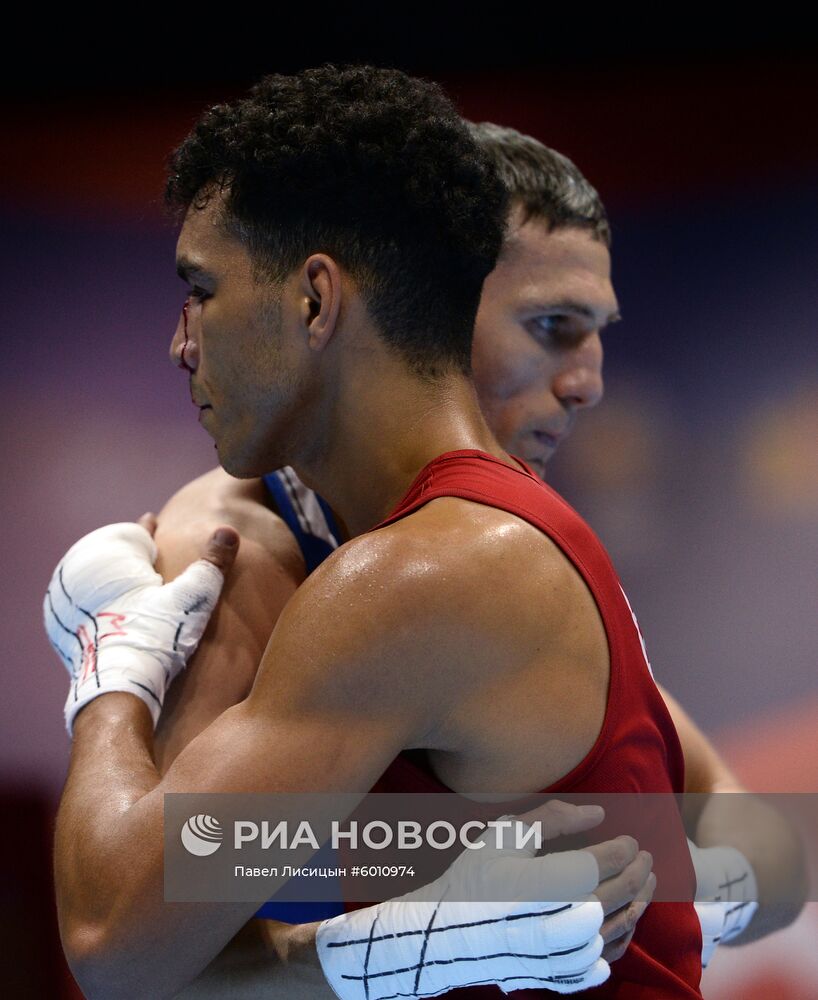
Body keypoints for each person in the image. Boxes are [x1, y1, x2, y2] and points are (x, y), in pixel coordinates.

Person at [44, 69, 800, 1000]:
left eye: (202, 290)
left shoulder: (455, 562)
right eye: (550, 327)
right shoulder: (258, 536)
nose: (587, 382)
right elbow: (152, 957)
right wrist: (423, 935)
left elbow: (115, 945)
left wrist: (110, 657)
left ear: (322, 301)